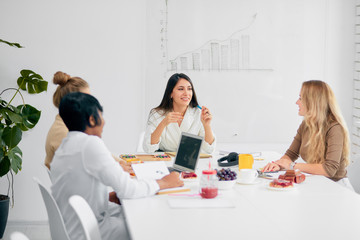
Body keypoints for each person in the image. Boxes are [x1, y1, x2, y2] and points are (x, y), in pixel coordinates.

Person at [51, 92, 183, 240]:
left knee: (132, 211)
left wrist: (105, 196)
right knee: (147, 224)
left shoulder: (66, 145)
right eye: (101, 116)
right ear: (92, 119)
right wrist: (164, 182)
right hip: (90, 230)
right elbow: (128, 190)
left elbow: (78, 186)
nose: (104, 122)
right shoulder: (90, 144)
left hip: (75, 226)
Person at [262, 80, 353, 190]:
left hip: (336, 187)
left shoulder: (334, 128)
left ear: (313, 102)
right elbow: (291, 154)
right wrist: (279, 164)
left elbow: (329, 170)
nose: (296, 102)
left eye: (300, 98)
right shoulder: (306, 125)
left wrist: (291, 166)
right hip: (318, 182)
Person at [44, 71, 131, 172]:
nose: (90, 103)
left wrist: (120, 162)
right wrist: (118, 167)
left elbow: (97, 153)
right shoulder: (64, 132)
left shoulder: (68, 124)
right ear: (72, 101)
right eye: (86, 99)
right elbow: (92, 161)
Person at [143, 73, 216, 153]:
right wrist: (163, 123)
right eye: (181, 89)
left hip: (188, 162)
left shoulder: (199, 114)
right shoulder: (157, 114)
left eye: (189, 89)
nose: (186, 93)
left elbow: (209, 149)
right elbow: (149, 148)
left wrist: (207, 126)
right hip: (165, 161)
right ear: (171, 93)